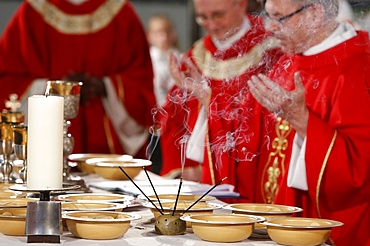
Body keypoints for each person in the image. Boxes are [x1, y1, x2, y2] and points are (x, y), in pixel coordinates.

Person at [247, 0, 370, 246]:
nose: (269, 28)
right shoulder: (287, 62)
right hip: (280, 223)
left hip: (333, 227)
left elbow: (360, 170)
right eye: (266, 16)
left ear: (314, 15)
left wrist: (304, 122)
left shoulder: (360, 67)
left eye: (279, 17)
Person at [158, 0, 283, 202]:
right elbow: (173, 121)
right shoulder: (195, 56)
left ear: (241, 5)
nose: (211, 25)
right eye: (203, 17)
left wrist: (210, 101)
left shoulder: (272, 51)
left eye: (217, 15)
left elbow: (271, 123)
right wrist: (183, 170)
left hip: (249, 179)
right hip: (196, 188)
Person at [0, 0, 156, 159]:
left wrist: (105, 86)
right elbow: (7, 76)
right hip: (47, 133)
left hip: (104, 140)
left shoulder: (121, 11)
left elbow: (140, 75)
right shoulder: (32, 11)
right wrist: (55, 88)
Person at [146, 14, 181, 174]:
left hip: (172, 118)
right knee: (151, 158)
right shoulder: (147, 59)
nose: (164, 37)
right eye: (158, 33)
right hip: (151, 117)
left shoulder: (180, 58)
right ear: (150, 35)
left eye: (167, 32)